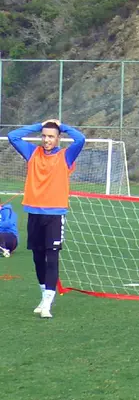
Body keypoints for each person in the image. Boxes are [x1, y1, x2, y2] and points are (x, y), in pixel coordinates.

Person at [7, 119, 86, 319]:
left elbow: (80, 139)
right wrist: (39, 125)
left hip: (55, 215)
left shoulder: (66, 156)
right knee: (37, 258)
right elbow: (12, 136)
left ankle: (48, 302)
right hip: (34, 213)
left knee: (52, 257)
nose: (46, 139)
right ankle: (44, 296)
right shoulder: (32, 153)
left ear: (58, 138)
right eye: (44, 136)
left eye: (51, 136)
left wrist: (62, 126)